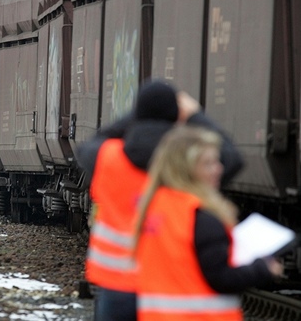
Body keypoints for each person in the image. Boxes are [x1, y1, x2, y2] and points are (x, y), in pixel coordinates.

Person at [76, 79, 244, 321]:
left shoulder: (108, 158)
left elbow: (90, 143)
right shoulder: (187, 165)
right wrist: (195, 115)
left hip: (117, 288)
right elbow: (232, 157)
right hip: (166, 291)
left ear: (137, 114)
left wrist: (141, 113)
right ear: (176, 116)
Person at [133, 126, 282, 321]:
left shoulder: (152, 207)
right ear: (185, 169)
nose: (219, 169)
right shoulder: (202, 218)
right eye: (207, 164)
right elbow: (220, 278)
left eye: (217, 161)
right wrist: (263, 269)